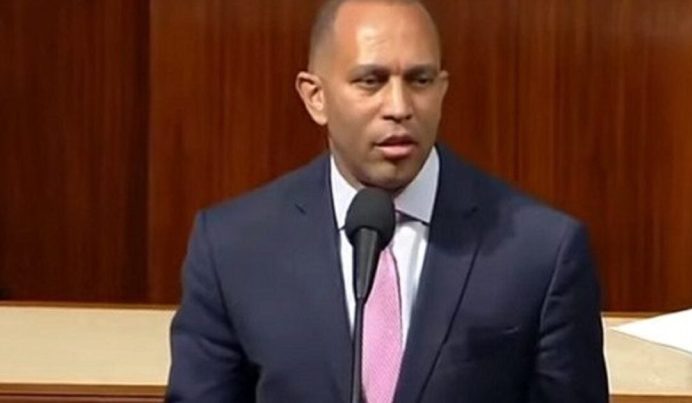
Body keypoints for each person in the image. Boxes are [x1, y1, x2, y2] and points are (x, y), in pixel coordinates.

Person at [166, 0, 608, 402]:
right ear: (315, 97)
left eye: (420, 80)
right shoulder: (233, 248)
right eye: (371, 81)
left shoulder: (541, 252)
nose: (399, 106)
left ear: (442, 89)